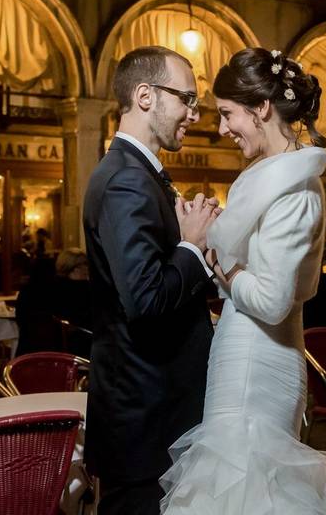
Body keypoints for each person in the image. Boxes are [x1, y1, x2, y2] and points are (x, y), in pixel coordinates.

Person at [159, 48, 326, 514]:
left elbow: (271, 300)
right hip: (246, 352)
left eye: (228, 114)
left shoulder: (295, 188)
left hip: (256, 362)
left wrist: (227, 266)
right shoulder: (271, 178)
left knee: (247, 491)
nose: (222, 128)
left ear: (261, 108)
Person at [82, 46, 218, 515]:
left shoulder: (138, 175)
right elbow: (145, 298)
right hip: (144, 420)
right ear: (145, 95)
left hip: (154, 413)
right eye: (187, 98)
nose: (194, 114)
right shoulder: (125, 180)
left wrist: (191, 248)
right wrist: (192, 248)